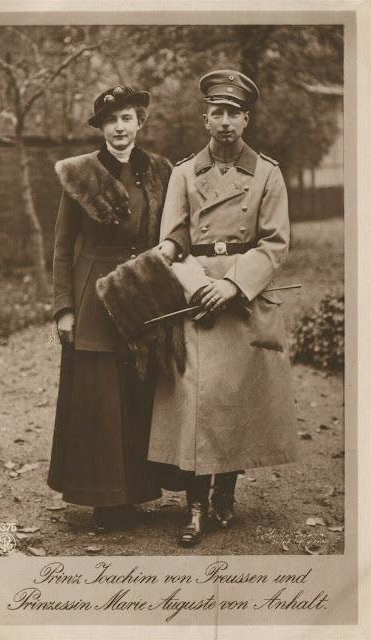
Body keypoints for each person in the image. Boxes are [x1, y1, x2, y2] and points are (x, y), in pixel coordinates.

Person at [150, 69, 298, 546]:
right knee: (197, 399)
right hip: (197, 299)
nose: (227, 121)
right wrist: (198, 287)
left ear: (246, 119)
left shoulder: (268, 173)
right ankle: (194, 507)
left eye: (235, 112)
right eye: (218, 112)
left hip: (243, 298)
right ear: (206, 119)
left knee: (235, 397)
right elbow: (172, 239)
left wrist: (233, 285)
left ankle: (225, 494)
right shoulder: (183, 173)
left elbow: (275, 243)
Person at [47, 85, 172, 532]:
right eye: (111, 120)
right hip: (94, 296)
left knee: (138, 391)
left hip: (142, 292)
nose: (120, 127)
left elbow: (173, 232)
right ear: (101, 127)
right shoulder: (80, 173)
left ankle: (134, 492)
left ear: (140, 122)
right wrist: (64, 307)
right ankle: (104, 500)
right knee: (99, 398)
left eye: (127, 118)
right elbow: (62, 246)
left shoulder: (160, 171)